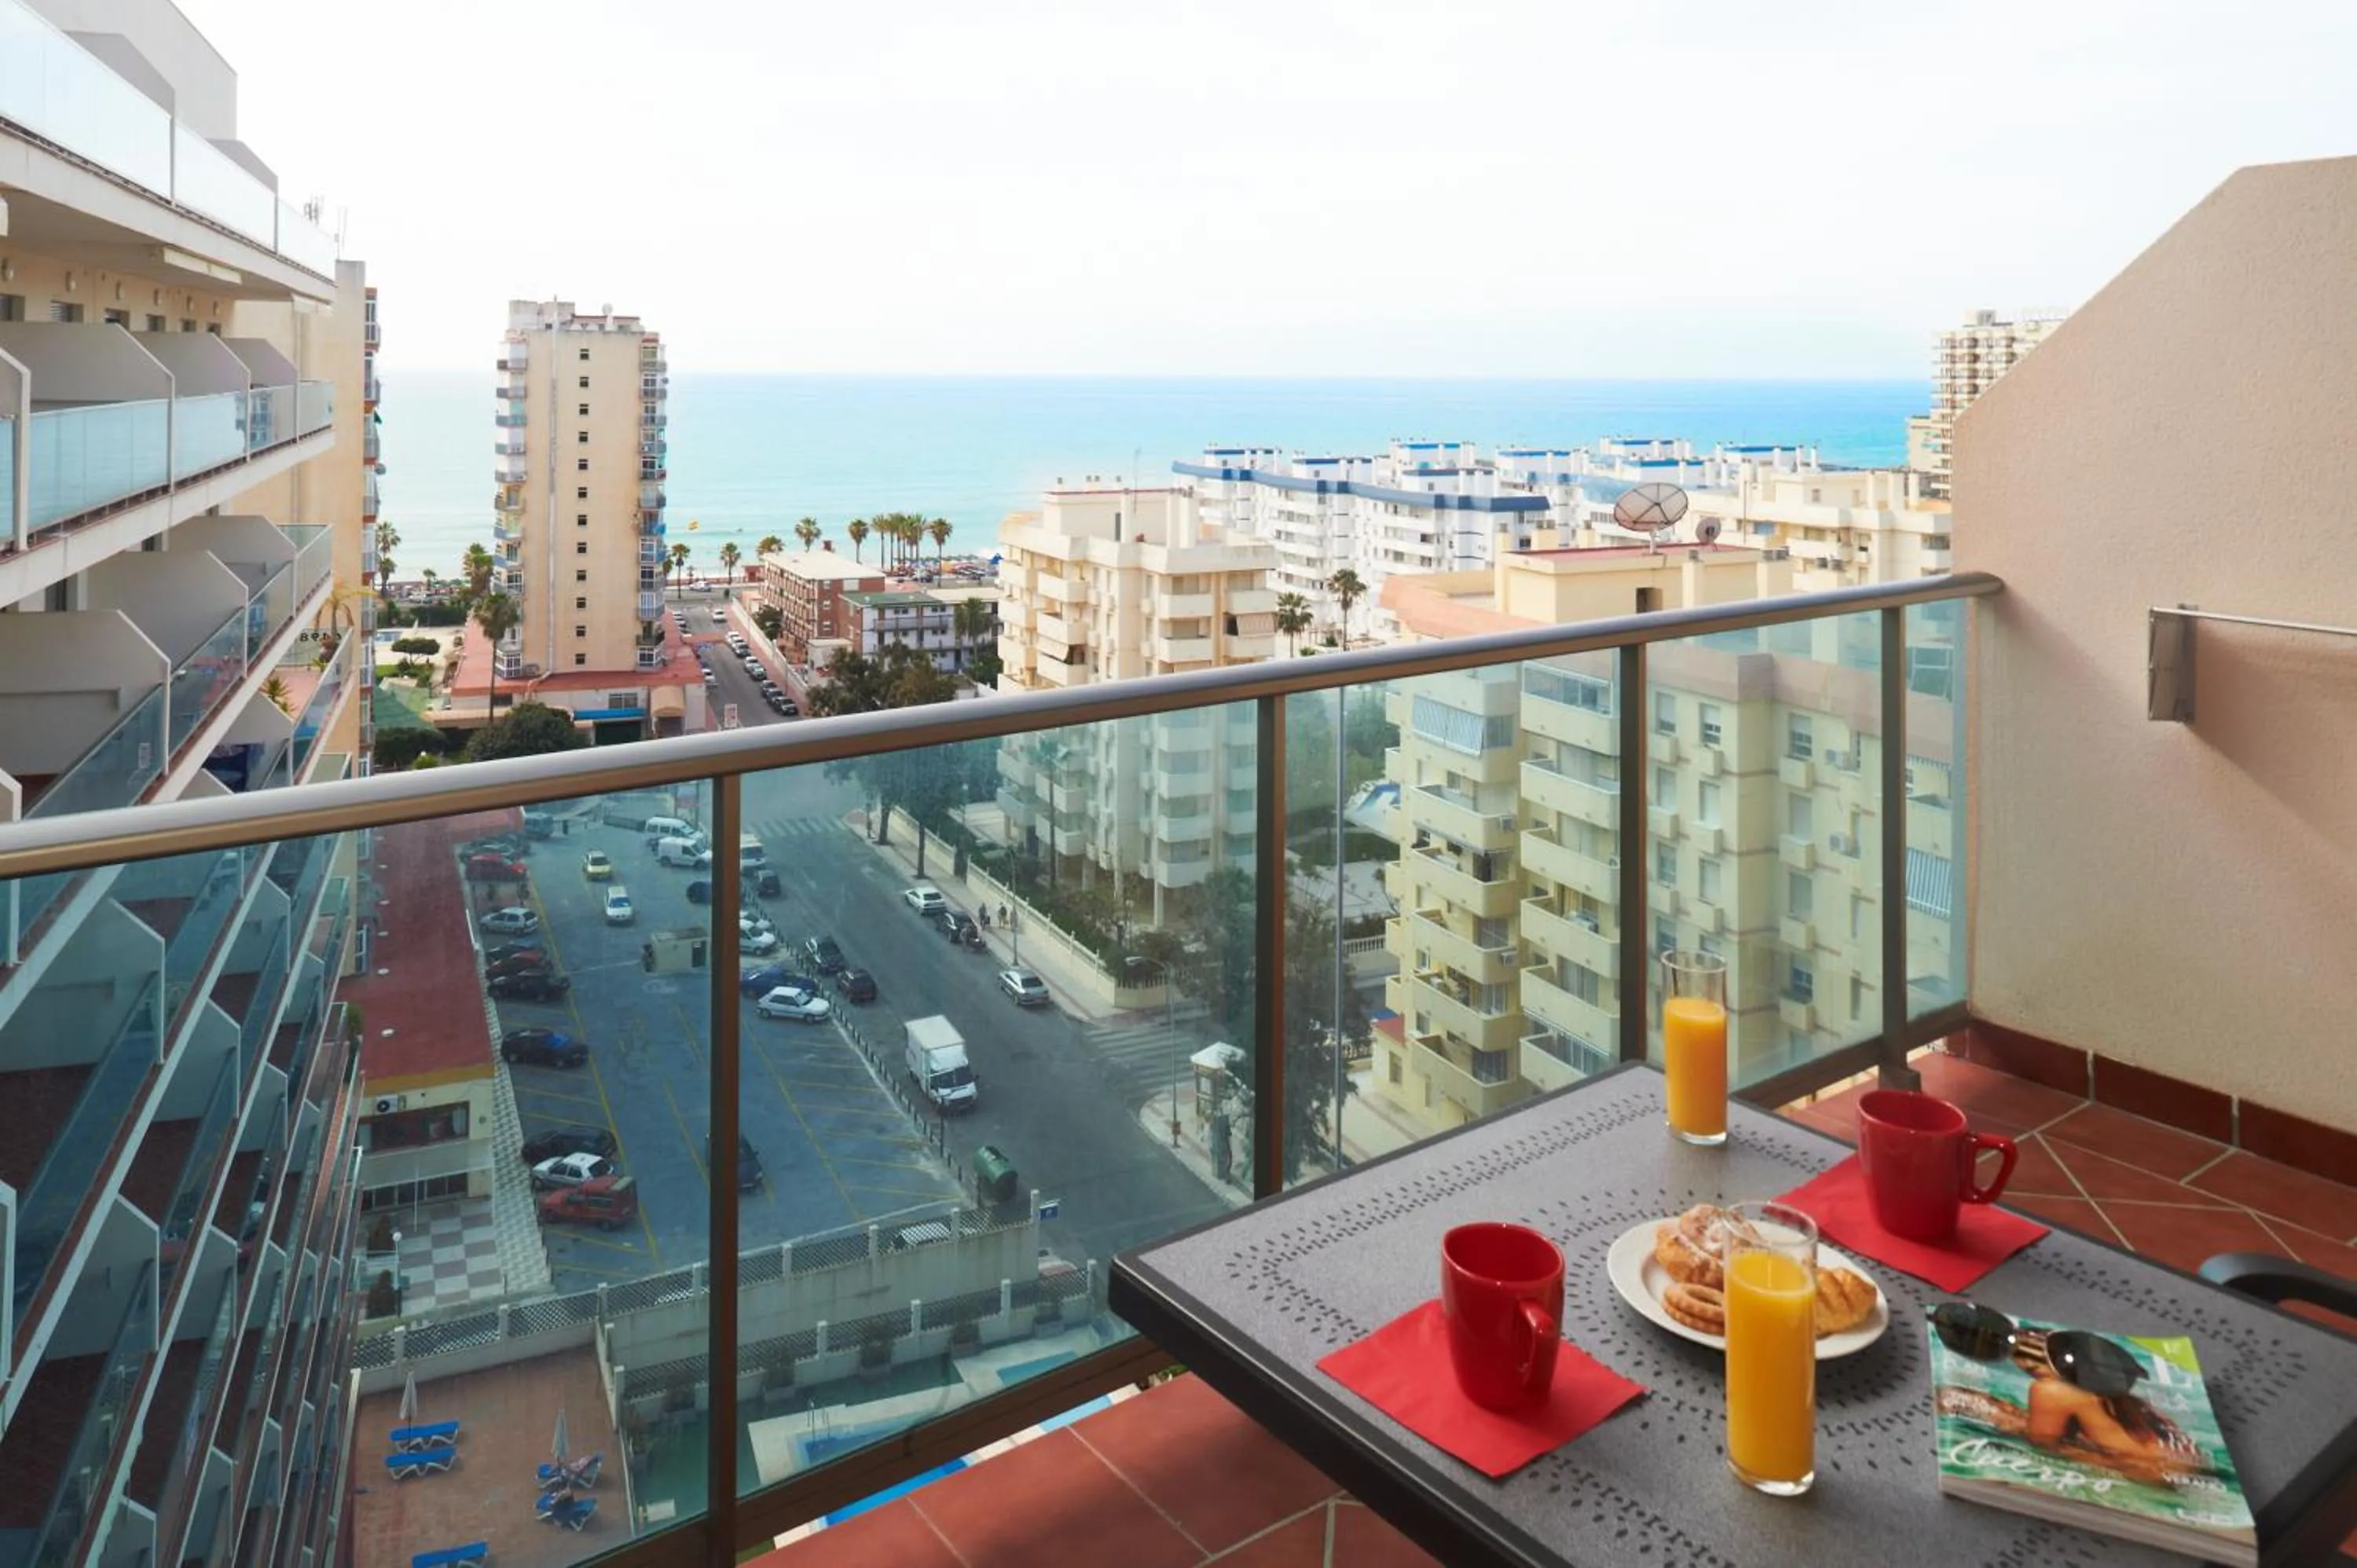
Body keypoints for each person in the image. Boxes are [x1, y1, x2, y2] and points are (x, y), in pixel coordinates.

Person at [2012, 1331, 2198, 1486]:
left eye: (2032, 1371)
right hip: (2180, 1473)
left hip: (2146, 1476)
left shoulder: (2049, 1389)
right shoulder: (2126, 1400)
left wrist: (2008, 1424)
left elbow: (2042, 1445)